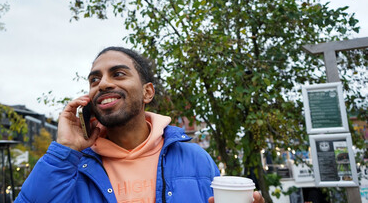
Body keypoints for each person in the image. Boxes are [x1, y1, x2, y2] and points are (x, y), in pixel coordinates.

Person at [15, 46, 264, 203]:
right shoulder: (69, 166)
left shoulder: (195, 159)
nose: (102, 84)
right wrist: (65, 149)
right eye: (94, 79)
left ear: (147, 92)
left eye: (118, 74)